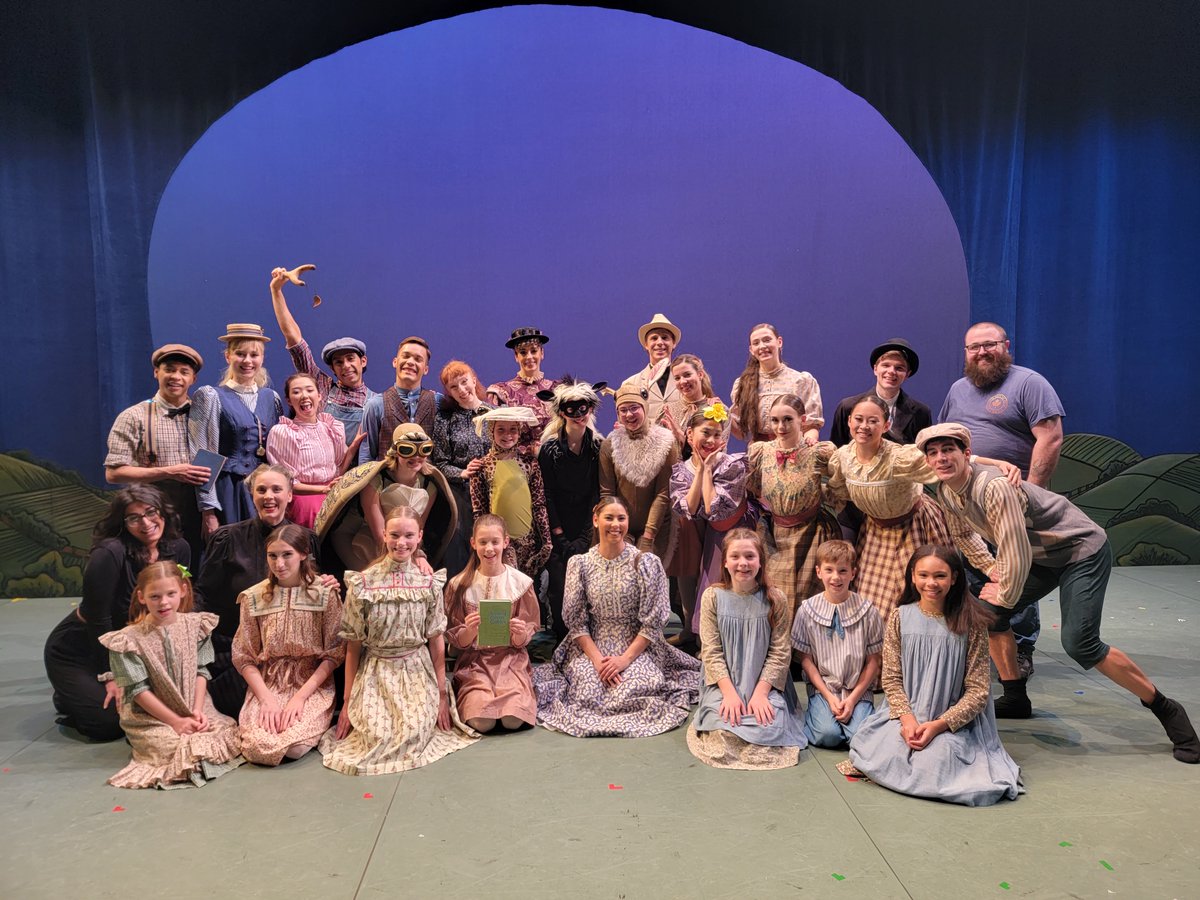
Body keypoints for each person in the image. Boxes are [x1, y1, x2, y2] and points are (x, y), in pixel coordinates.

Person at [918, 423, 1200, 763]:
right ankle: (1015, 697)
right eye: (932, 453)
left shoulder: (992, 487)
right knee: (991, 617)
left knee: (1080, 642)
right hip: (1043, 556)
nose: (940, 458)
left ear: (965, 453)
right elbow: (964, 537)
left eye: (948, 450)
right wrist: (994, 572)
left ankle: (1168, 710)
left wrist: (1004, 591)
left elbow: (1015, 548)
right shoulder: (947, 492)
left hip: (1080, 550)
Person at [848, 545, 1023, 806]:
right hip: (907, 714)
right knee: (887, 752)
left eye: (940, 576)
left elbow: (978, 691)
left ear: (954, 578)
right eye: (923, 575)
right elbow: (892, 679)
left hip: (953, 722)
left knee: (937, 762)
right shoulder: (900, 616)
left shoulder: (972, 623)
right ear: (912, 577)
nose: (931, 583)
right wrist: (908, 721)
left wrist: (938, 725)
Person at [939, 322, 1066, 678]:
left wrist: (1030, 492)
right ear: (965, 353)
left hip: (1013, 500)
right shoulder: (957, 390)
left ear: (1006, 345)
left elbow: (1051, 438)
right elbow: (947, 439)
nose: (982, 352)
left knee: (1017, 569)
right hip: (969, 501)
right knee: (976, 570)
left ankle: (1021, 650)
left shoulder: (1029, 383)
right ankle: (983, 646)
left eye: (989, 345)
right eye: (973, 347)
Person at [321, 506, 479, 774]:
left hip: (416, 671)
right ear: (383, 535)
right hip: (376, 673)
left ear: (419, 537)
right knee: (377, 736)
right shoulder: (363, 583)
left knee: (412, 733)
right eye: (394, 535)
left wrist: (441, 694)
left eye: (408, 535)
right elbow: (354, 645)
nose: (401, 542)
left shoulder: (429, 584)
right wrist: (348, 702)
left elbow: (436, 640)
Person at [532, 498, 700, 737]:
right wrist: (598, 660)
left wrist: (624, 660)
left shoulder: (644, 563)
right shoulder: (581, 564)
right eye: (609, 518)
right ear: (596, 520)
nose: (615, 524)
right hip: (593, 646)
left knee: (636, 687)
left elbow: (653, 623)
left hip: (637, 646)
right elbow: (576, 623)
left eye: (621, 518)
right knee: (588, 690)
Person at [43, 486, 190, 741]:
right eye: (133, 518)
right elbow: (99, 619)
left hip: (131, 649)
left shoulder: (178, 548)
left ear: (163, 512)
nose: (145, 523)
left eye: (150, 512)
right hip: (82, 649)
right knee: (108, 724)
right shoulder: (109, 553)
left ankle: (78, 693)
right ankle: (69, 694)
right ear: (123, 523)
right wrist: (110, 676)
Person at [98, 561, 242, 788]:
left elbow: (201, 671)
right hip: (151, 716)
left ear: (183, 591)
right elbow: (138, 690)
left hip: (193, 704)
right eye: (155, 596)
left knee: (223, 732)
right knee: (173, 748)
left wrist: (197, 710)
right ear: (142, 596)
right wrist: (175, 721)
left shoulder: (197, 625)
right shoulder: (127, 640)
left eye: (170, 594)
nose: (164, 602)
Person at [193, 464, 321, 717]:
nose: (269, 496)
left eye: (276, 489)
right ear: (252, 495)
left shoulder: (307, 540)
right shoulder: (227, 539)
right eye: (261, 490)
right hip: (239, 651)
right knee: (241, 706)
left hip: (293, 654)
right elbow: (203, 596)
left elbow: (317, 586)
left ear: (290, 495)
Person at [823, 396, 953, 623]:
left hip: (913, 526)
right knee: (870, 598)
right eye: (859, 419)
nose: (864, 426)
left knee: (913, 595)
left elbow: (946, 461)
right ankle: (878, 654)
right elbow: (838, 490)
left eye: (873, 421)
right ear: (849, 423)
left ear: (886, 425)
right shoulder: (843, 457)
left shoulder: (899, 457)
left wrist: (995, 464)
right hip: (875, 531)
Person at [686, 529, 806, 769]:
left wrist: (761, 694)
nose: (743, 563)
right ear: (726, 562)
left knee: (769, 727)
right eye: (736, 557)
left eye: (750, 556)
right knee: (723, 731)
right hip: (723, 683)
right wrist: (729, 694)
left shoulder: (776, 599)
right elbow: (711, 651)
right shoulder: (713, 596)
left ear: (760, 561)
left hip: (764, 684)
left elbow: (780, 653)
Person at [233, 524, 344, 765]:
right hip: (269, 682)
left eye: (287, 555)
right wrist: (266, 699)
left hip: (311, 683)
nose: (279, 563)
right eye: (272, 555)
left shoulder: (324, 593)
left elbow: (334, 653)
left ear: (303, 553)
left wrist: (300, 698)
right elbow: (244, 656)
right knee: (257, 746)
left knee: (294, 747)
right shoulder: (253, 597)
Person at [104, 342, 210, 564]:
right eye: (169, 369)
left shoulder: (205, 417)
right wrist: (168, 472)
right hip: (151, 512)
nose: (176, 377)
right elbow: (114, 473)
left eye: (184, 372)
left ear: (193, 379)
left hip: (197, 510)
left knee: (194, 571)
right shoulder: (134, 416)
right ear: (156, 372)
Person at [669, 403, 758, 649]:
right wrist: (700, 472)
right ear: (689, 435)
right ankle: (711, 643)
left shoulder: (732, 465)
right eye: (705, 433)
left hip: (737, 534)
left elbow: (713, 509)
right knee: (713, 586)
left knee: (737, 583)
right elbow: (687, 508)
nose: (711, 440)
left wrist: (707, 470)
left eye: (717, 434)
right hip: (714, 537)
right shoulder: (681, 471)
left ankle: (742, 642)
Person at [316, 423, 457, 576]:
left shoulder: (430, 485)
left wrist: (419, 556)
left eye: (424, 449)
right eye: (407, 449)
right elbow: (378, 533)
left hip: (400, 541)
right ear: (395, 451)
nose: (416, 457)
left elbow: (417, 528)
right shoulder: (376, 480)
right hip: (359, 538)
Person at [445, 515, 541, 733]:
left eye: (495, 542)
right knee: (482, 722)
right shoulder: (459, 585)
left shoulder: (521, 584)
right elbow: (453, 635)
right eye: (483, 542)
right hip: (475, 663)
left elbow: (529, 628)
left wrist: (518, 634)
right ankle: (478, 697)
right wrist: (468, 632)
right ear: (473, 543)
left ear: (505, 542)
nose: (489, 549)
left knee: (512, 719)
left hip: (510, 660)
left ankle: (513, 697)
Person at [745, 395, 839, 613]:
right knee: (777, 601)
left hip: (812, 534)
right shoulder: (762, 452)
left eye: (788, 419)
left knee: (809, 603)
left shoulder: (819, 452)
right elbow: (753, 488)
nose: (781, 426)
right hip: (776, 537)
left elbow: (838, 490)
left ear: (802, 420)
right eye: (775, 420)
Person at [190, 323, 284, 536]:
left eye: (254, 355)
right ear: (228, 356)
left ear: (262, 358)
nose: (248, 361)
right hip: (229, 491)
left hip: (264, 493)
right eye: (240, 354)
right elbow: (203, 457)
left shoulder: (272, 398)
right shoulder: (211, 396)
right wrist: (208, 510)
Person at [269, 263, 374, 445]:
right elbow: (295, 340)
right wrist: (276, 291)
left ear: (363, 361)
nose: (346, 366)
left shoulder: (376, 403)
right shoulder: (321, 386)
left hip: (359, 472)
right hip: (316, 468)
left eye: (350, 359)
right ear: (333, 368)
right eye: (339, 362)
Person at [792, 541, 883, 748]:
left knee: (861, 737)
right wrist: (828, 696)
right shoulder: (807, 611)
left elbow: (873, 662)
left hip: (856, 689)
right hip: (823, 689)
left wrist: (851, 700)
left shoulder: (868, 611)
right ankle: (820, 716)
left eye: (843, 571)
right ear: (818, 572)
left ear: (853, 573)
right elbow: (806, 660)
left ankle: (852, 717)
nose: (836, 577)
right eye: (829, 570)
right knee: (828, 736)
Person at [537, 378, 605, 640]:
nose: (578, 415)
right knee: (559, 583)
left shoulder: (598, 447)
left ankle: (589, 636)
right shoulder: (550, 449)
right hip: (558, 523)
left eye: (584, 408)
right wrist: (559, 534)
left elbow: (598, 491)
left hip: (588, 524)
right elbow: (547, 493)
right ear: (561, 411)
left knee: (590, 583)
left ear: (591, 409)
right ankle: (562, 636)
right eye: (571, 409)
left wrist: (587, 534)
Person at [469, 407, 553, 581]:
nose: (507, 435)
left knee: (525, 590)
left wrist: (546, 541)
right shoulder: (482, 466)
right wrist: (482, 542)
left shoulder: (529, 463)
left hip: (527, 543)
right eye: (501, 429)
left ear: (519, 432)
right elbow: (479, 511)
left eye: (513, 429)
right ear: (492, 431)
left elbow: (538, 503)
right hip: (497, 545)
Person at [598, 385, 678, 565]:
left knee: (649, 578)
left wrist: (648, 537)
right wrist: (617, 529)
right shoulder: (610, 445)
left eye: (634, 408)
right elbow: (607, 493)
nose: (629, 415)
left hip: (656, 528)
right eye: (623, 410)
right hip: (619, 527)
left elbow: (663, 494)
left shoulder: (666, 442)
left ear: (644, 407)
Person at [266, 372, 357, 528]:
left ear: (319, 395)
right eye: (296, 392)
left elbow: (338, 469)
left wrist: (353, 448)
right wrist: (321, 489)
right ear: (288, 400)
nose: (304, 396)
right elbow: (285, 481)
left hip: (333, 497)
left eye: (309, 390)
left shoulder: (330, 427)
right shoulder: (283, 432)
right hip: (304, 501)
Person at [431, 360, 495, 575]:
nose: (461, 390)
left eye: (464, 382)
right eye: (454, 386)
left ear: (474, 380)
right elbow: (439, 462)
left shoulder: (494, 414)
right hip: (461, 492)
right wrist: (462, 472)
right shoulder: (445, 419)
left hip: (494, 490)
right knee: (460, 548)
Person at [730, 323, 823, 445]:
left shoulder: (800, 381)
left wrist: (809, 443)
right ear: (751, 350)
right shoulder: (743, 384)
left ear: (779, 342)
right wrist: (722, 414)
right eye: (756, 343)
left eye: (767, 340)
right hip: (759, 453)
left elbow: (811, 425)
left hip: (794, 451)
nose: (762, 346)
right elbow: (741, 432)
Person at [829, 338, 932, 446]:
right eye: (886, 365)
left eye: (899, 368)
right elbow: (836, 452)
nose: (891, 372)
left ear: (907, 374)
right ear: (875, 369)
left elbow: (924, 455)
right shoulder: (848, 407)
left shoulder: (921, 413)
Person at [360, 336, 441, 462]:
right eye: (406, 356)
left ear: (426, 369)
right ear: (395, 362)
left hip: (427, 480)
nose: (410, 362)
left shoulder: (437, 402)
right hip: (388, 481)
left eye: (418, 359)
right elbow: (366, 456)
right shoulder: (375, 405)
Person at [486, 327, 559, 449]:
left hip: (553, 461)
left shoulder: (558, 390)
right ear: (516, 356)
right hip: (516, 463)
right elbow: (492, 436)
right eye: (523, 352)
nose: (529, 357)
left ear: (542, 353)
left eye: (534, 351)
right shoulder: (502, 392)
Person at [620, 313, 687, 427]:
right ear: (646, 345)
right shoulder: (630, 383)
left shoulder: (687, 381)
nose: (660, 342)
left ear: (674, 344)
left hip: (682, 443)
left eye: (665, 338)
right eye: (654, 338)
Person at [661, 353, 725, 458]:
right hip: (669, 473)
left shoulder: (718, 410)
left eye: (687, 375)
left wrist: (683, 440)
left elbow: (719, 455)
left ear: (700, 375)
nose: (682, 381)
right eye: (677, 378)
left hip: (705, 472)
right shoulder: (667, 410)